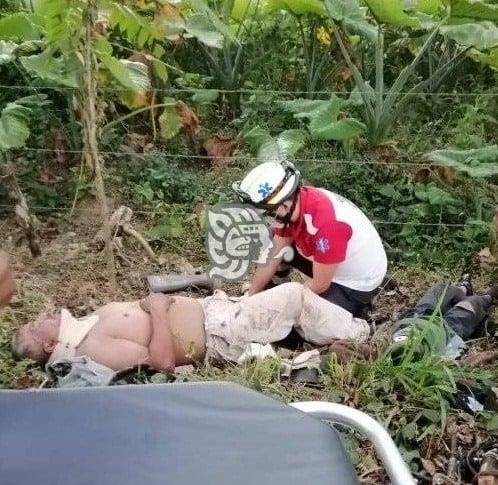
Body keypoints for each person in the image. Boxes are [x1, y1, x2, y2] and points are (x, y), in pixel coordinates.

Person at [11, 282, 370, 372]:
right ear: (48, 346)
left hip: (217, 311)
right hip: (219, 333)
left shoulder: (87, 326)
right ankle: (363, 338)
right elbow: (161, 361)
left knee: (284, 299)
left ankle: (326, 340)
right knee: (294, 295)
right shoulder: (92, 348)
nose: (37, 318)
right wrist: (159, 311)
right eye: (33, 326)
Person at [232, 161, 387, 318]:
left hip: (356, 282)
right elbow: (273, 254)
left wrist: (279, 303)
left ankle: (357, 311)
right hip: (331, 260)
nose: (269, 219)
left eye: (268, 213)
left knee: (300, 323)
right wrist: (249, 297)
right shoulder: (298, 201)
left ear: (283, 206)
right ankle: (278, 285)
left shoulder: (326, 226)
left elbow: (319, 285)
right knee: (272, 239)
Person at [391, 277, 498, 360]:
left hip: (418, 316)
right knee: (473, 303)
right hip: (447, 329)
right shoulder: (431, 358)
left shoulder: (386, 344)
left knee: (440, 289)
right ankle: (488, 297)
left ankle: (464, 288)